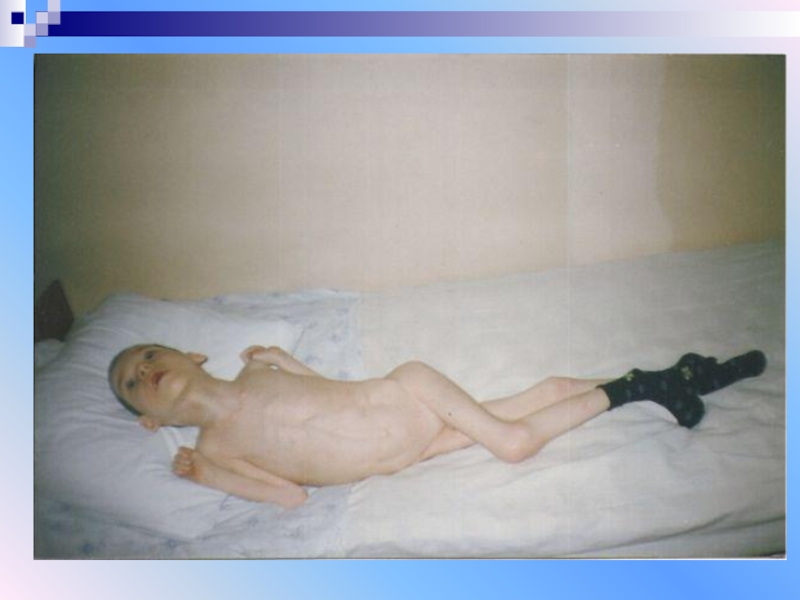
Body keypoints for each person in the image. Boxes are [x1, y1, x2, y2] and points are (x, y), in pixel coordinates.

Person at [108, 344, 766, 508]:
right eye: (133, 383)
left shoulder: (257, 372)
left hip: (408, 393)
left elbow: (328, 394)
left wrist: (287, 360)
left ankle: (641, 388)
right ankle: (686, 374)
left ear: (192, 355)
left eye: (148, 356)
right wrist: (207, 477)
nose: (145, 370)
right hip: (415, 449)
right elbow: (290, 495)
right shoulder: (216, 449)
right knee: (549, 394)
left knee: (514, 443)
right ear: (149, 420)